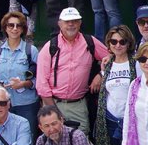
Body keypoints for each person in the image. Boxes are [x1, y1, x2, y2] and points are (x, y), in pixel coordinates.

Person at [35, 7, 108, 135]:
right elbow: (41, 84)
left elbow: (113, 57)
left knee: (82, 141)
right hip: (54, 103)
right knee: (56, 143)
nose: (71, 24)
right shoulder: (50, 47)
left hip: (79, 104)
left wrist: (101, 75)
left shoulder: (89, 42)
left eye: (74, 21)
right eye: (67, 21)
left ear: (80, 23)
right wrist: (53, 111)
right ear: (59, 24)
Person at [99, 24, 142, 145]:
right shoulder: (107, 64)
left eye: (122, 41)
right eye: (114, 41)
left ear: (128, 42)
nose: (118, 45)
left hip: (129, 119)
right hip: (110, 118)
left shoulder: (135, 63)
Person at [0, 11, 39, 131]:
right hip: (2, 104)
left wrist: (24, 83)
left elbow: (39, 79)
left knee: (27, 138)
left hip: (26, 104)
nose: (14, 29)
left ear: (23, 29)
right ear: (5, 28)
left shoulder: (31, 51)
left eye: (18, 25)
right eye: (11, 25)